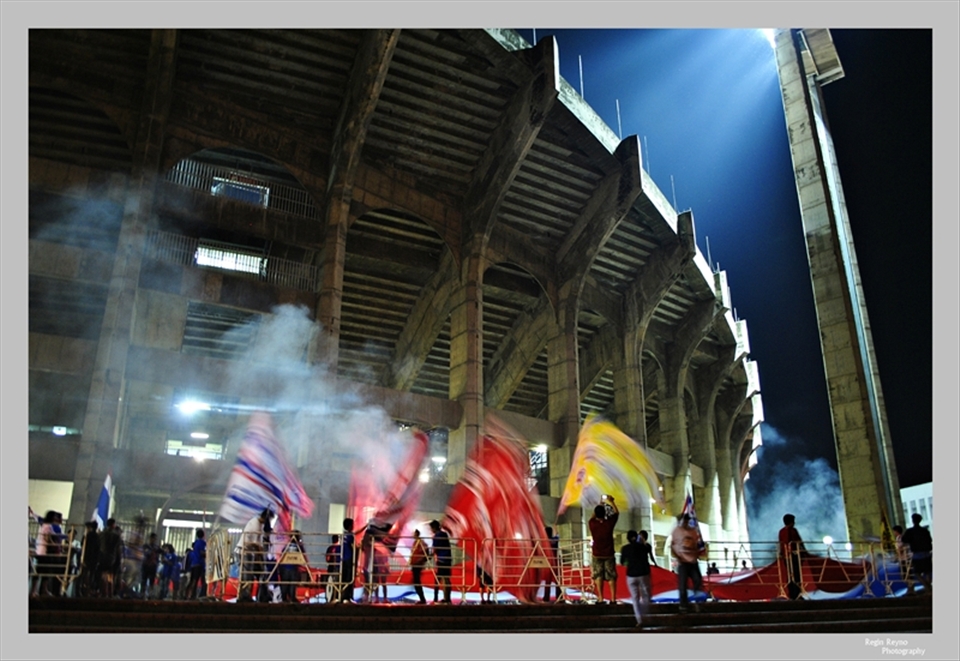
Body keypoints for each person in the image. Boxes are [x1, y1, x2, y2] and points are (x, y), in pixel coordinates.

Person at [620, 529, 655, 627]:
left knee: (635, 599)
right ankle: (646, 615)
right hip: (643, 574)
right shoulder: (644, 547)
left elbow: (623, 562)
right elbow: (648, 553)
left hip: (631, 575)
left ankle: (639, 620)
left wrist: (629, 563)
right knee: (646, 595)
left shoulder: (625, 549)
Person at [588, 495, 619, 604]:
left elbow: (592, 517)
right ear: (605, 514)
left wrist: (599, 504)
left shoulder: (592, 524)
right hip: (609, 554)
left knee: (598, 575)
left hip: (597, 554)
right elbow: (616, 513)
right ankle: (613, 599)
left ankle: (600, 598)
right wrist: (611, 502)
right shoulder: (609, 524)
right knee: (611, 576)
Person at [237, 509, 271, 602]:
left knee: (261, 574)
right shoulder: (255, 524)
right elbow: (255, 544)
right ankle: (245, 596)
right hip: (245, 550)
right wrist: (260, 553)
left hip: (251, 552)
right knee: (247, 575)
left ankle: (261, 595)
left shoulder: (260, 525)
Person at [670, 513, 703, 611]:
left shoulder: (693, 531)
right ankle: (683, 605)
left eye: (687, 521)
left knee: (697, 580)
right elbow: (672, 545)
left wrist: (696, 554)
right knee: (683, 584)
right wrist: (678, 556)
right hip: (683, 562)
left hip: (692, 561)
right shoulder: (676, 531)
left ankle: (697, 601)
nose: (686, 522)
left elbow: (697, 545)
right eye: (684, 520)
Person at [900, 512, 933, 593]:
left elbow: (904, 540)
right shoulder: (925, 531)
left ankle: (927, 586)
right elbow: (930, 540)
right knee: (928, 572)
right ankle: (928, 587)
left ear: (913, 521)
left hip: (917, 555)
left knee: (917, 573)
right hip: (927, 553)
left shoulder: (910, 531)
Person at [778, 513, 805, 600]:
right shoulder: (793, 531)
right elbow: (799, 542)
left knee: (789, 575)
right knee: (796, 575)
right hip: (794, 555)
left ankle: (792, 594)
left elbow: (781, 544)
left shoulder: (781, 532)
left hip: (786, 556)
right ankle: (797, 594)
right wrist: (804, 552)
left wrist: (782, 553)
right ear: (791, 522)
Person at [278, 530, 308, 603]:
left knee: (285, 584)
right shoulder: (299, 546)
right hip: (293, 568)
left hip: (285, 567)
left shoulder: (287, 545)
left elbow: (282, 553)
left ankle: (284, 599)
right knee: (292, 584)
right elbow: (303, 555)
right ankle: (292, 598)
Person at [98, 518, 123, 599]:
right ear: (113, 524)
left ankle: (103, 593)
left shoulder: (101, 534)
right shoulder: (116, 536)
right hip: (111, 558)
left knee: (103, 576)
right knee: (110, 577)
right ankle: (110, 594)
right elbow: (118, 549)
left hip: (102, 557)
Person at [429, 520, 452, 604]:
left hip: (441, 559)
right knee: (447, 579)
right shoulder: (444, 534)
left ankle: (446, 599)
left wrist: (430, 555)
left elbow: (435, 549)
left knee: (443, 579)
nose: (431, 530)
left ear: (434, 527)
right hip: (448, 558)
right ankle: (447, 598)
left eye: (431, 528)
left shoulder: (437, 536)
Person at [79, 521, 100, 597]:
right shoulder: (97, 536)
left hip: (86, 558)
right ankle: (89, 590)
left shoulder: (87, 536)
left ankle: (82, 590)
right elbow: (98, 548)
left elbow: (83, 546)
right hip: (93, 559)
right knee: (91, 575)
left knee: (83, 575)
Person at [407, 529, 429, 605]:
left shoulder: (420, 542)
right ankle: (422, 598)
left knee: (417, 581)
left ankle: (422, 599)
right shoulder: (415, 542)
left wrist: (422, 560)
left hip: (417, 564)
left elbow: (426, 550)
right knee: (416, 581)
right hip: (415, 563)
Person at [541, 526, 561, 603]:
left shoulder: (544, 541)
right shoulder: (554, 540)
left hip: (547, 562)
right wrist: (556, 529)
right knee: (557, 580)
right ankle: (559, 596)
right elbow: (558, 536)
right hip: (555, 561)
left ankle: (546, 597)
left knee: (547, 581)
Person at [338, 518, 356, 603]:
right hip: (349, 558)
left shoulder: (343, 535)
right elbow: (354, 545)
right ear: (349, 526)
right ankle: (347, 596)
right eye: (352, 524)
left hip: (343, 558)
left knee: (343, 577)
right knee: (349, 577)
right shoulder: (350, 535)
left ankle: (342, 595)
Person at [186, 529, 207, 600]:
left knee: (193, 580)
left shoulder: (196, 543)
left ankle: (188, 594)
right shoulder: (203, 543)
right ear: (203, 535)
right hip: (199, 564)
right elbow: (202, 552)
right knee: (200, 580)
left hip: (194, 563)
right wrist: (208, 554)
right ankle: (197, 595)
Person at [140, 532, 160, 599]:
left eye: (155, 539)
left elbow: (161, 553)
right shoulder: (146, 546)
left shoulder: (156, 547)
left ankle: (150, 595)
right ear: (150, 538)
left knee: (152, 581)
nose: (154, 540)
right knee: (144, 580)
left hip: (153, 566)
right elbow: (145, 553)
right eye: (153, 538)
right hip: (146, 565)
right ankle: (142, 594)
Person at [324, 534, 342, 603]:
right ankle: (336, 597)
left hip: (330, 568)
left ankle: (329, 597)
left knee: (330, 583)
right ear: (338, 539)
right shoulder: (340, 548)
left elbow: (327, 559)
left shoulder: (330, 548)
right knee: (337, 583)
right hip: (338, 567)